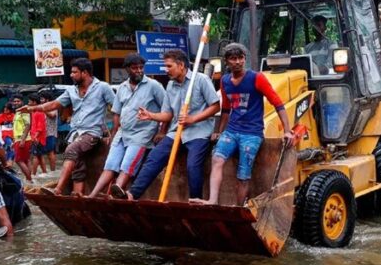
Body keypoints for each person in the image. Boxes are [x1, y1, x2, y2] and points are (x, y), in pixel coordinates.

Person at [114, 48, 221, 202]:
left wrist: (193, 119)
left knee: (193, 166)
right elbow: (168, 114)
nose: (166, 70)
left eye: (169, 66)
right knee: (154, 158)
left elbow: (215, 106)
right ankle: (132, 194)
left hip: (199, 132)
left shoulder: (201, 80)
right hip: (175, 132)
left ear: (182, 65)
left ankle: (195, 201)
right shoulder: (170, 86)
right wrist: (151, 115)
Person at [206, 43, 296, 206]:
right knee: (217, 159)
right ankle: (212, 200)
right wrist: (220, 131)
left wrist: (287, 131)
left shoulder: (257, 78)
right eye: (233, 58)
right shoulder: (225, 81)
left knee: (243, 173)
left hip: (252, 133)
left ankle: (239, 209)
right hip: (232, 131)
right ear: (227, 61)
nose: (238, 62)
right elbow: (226, 109)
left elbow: (277, 103)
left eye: (241, 58)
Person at [34, 58, 116, 196]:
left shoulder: (103, 87)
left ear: (84, 73)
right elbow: (55, 104)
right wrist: (33, 108)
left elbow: (117, 109)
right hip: (75, 133)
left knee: (71, 150)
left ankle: (58, 189)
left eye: (74, 72)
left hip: (92, 132)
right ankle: (77, 194)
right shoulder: (71, 90)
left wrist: (113, 133)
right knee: (78, 164)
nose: (71, 75)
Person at [88, 53, 166, 197]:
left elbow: (167, 110)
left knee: (127, 165)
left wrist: (162, 131)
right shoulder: (122, 87)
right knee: (110, 165)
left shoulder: (154, 86)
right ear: (127, 69)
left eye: (141, 68)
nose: (139, 71)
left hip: (142, 134)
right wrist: (113, 134)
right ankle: (92, 195)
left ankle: (116, 192)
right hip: (122, 134)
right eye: (135, 68)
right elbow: (116, 113)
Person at [11, 99, 34, 181]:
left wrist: (22, 140)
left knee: (18, 160)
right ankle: (29, 180)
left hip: (23, 138)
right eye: (15, 101)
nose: (16, 103)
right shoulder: (17, 112)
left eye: (18, 101)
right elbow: (16, 128)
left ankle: (30, 180)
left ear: (22, 102)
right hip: (19, 139)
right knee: (26, 160)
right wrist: (14, 141)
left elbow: (28, 125)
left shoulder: (24, 111)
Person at [27, 93, 49, 175]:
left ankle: (33, 174)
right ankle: (44, 172)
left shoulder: (39, 112)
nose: (28, 102)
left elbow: (40, 127)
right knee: (40, 156)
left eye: (30, 101)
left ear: (34, 102)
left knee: (35, 156)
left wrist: (35, 137)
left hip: (38, 138)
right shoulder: (35, 112)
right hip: (38, 137)